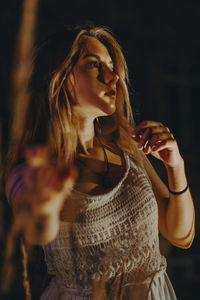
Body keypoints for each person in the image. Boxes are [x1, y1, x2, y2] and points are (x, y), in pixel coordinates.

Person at [5, 25, 195, 300]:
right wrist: (46, 204)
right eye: (94, 64)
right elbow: (37, 227)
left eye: (112, 65)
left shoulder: (128, 148)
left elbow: (182, 236)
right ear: (58, 77)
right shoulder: (34, 169)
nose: (113, 76)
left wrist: (175, 166)